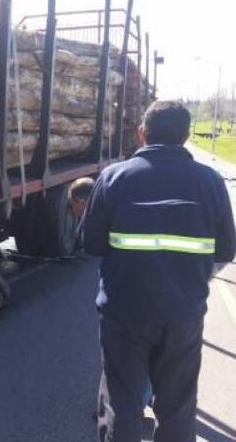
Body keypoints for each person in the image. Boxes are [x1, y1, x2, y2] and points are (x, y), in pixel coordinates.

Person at [82, 101, 236, 442]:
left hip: (123, 313)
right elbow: (226, 249)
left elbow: (90, 243)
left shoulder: (114, 177)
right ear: (185, 136)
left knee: (121, 401)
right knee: (178, 407)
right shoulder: (210, 182)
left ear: (141, 133)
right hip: (183, 314)